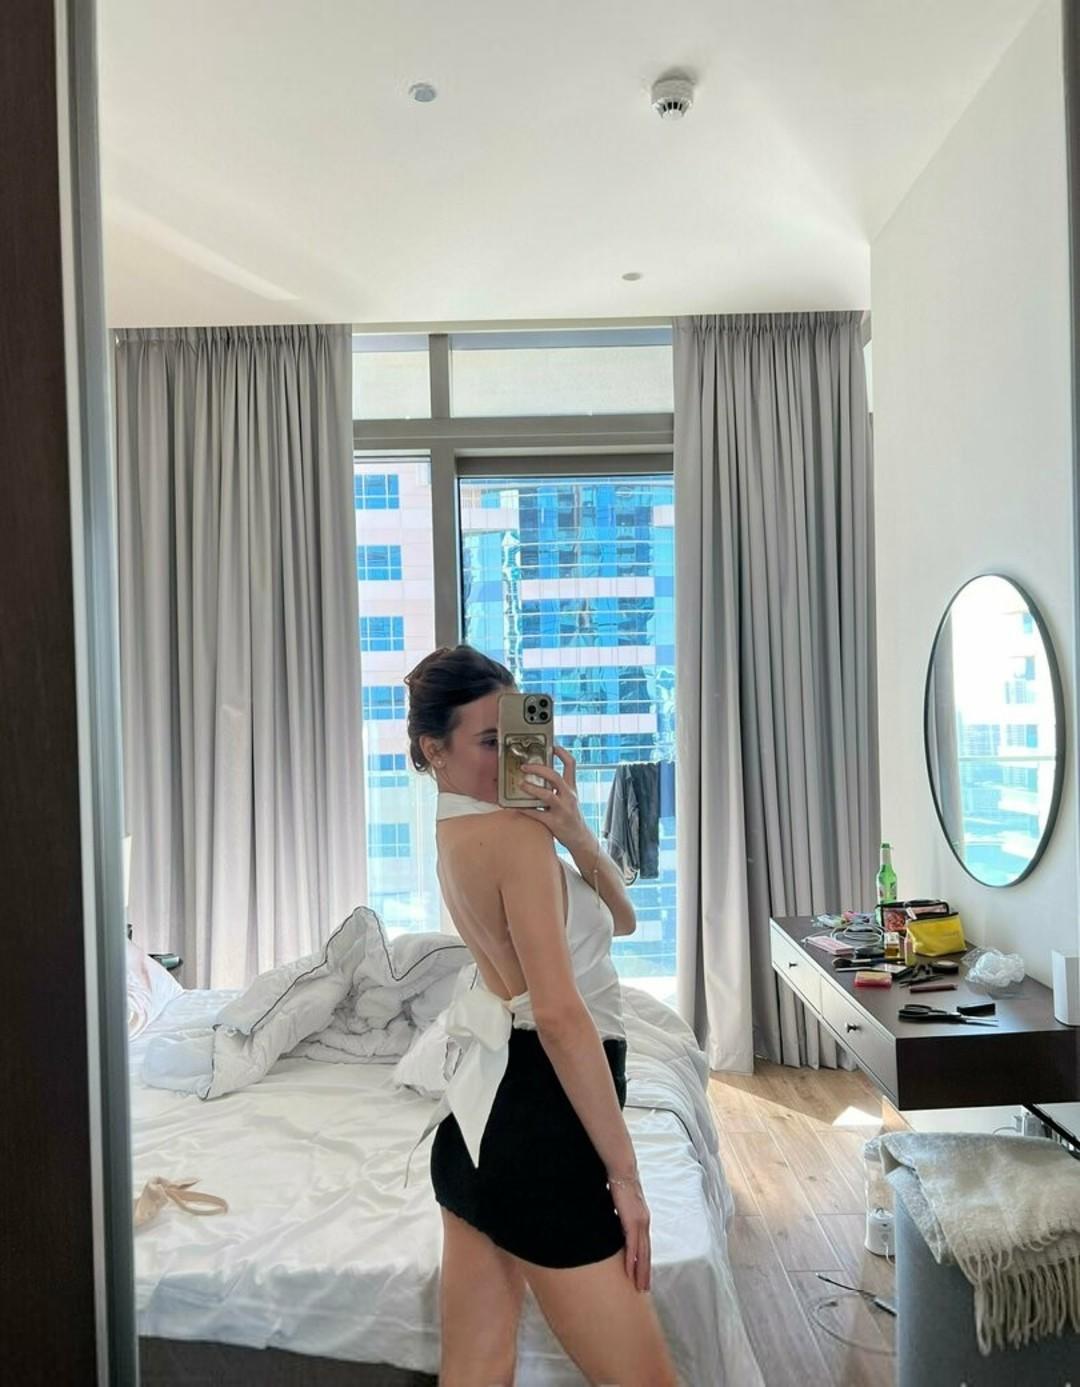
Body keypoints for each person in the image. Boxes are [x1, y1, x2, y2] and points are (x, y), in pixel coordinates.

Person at [405, 644, 680, 1387]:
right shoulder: (513, 837)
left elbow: (621, 920)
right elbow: (558, 1015)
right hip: (540, 1137)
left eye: (514, 736)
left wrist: (575, 829)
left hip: (477, 1130)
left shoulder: (464, 831)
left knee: (475, 1372)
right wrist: (625, 1177)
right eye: (488, 741)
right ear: (434, 748)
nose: (507, 759)